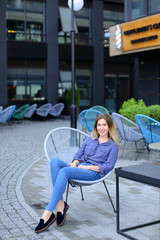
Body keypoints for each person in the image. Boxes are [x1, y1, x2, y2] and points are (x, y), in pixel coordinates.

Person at [35, 113, 119, 233]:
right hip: (79, 167)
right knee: (55, 162)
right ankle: (60, 206)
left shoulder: (113, 146)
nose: (101, 128)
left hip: (93, 173)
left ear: (109, 127)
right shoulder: (90, 140)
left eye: (104, 125)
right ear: (96, 126)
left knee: (64, 171)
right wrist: (74, 163)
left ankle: (47, 214)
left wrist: (89, 168)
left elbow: (107, 167)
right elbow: (78, 155)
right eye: (99, 125)